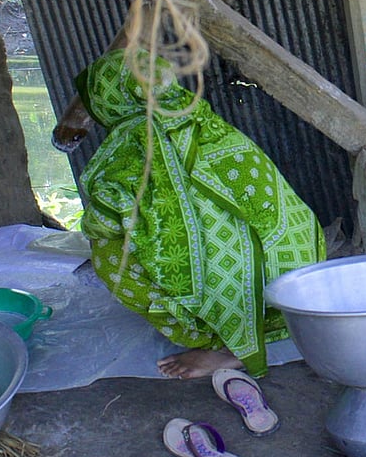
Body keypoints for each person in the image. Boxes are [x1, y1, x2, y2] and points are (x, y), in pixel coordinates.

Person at [76, 48, 325, 378]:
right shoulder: (200, 118)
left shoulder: (132, 146)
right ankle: (265, 323)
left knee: (108, 251)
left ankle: (220, 344)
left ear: (110, 98)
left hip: (238, 295)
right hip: (298, 285)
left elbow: (106, 220)